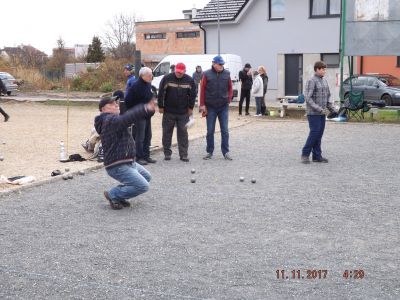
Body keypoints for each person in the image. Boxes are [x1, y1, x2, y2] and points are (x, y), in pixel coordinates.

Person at [94, 95, 156, 210]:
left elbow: (127, 119)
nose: (116, 105)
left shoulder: (112, 120)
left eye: (116, 103)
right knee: (143, 186)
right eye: (112, 104)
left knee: (146, 177)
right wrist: (144, 108)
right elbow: (127, 118)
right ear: (103, 109)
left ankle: (120, 196)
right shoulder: (109, 120)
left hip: (128, 162)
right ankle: (113, 195)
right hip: (118, 165)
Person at [158, 63, 196, 162]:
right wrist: (160, 106)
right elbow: (161, 92)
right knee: (166, 133)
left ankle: (183, 154)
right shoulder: (167, 78)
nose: (178, 74)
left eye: (180, 72)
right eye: (177, 71)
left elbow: (192, 95)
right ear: (175, 70)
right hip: (168, 111)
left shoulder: (189, 80)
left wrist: (190, 108)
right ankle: (167, 153)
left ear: (184, 71)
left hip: (183, 112)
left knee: (183, 134)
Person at [301, 61, 336, 164]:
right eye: (323, 69)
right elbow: (308, 98)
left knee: (319, 134)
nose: (324, 71)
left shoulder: (324, 81)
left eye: (325, 69)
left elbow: (327, 96)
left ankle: (317, 156)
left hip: (322, 113)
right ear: (317, 69)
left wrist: (332, 109)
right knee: (314, 133)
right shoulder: (311, 81)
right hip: (313, 113)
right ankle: (305, 154)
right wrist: (319, 109)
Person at [199, 55, 233, 160]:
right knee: (210, 131)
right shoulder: (206, 74)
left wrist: (229, 98)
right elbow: (202, 90)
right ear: (214, 63)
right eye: (220, 64)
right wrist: (202, 104)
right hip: (210, 106)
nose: (221, 66)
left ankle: (226, 152)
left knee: (225, 130)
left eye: (222, 64)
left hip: (223, 106)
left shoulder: (227, 74)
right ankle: (209, 152)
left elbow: (230, 87)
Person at [125, 67, 157, 166]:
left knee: (148, 135)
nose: (151, 76)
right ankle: (139, 157)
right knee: (140, 137)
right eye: (149, 75)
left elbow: (149, 96)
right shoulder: (136, 86)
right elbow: (128, 101)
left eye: (151, 75)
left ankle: (146, 155)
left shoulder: (148, 84)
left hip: (147, 115)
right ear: (143, 75)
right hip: (139, 115)